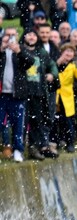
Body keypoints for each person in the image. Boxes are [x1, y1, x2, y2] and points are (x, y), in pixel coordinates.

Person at [22, 28, 58, 160]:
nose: (31, 37)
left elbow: (52, 64)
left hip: (39, 91)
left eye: (33, 35)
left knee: (38, 120)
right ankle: (21, 148)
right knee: (24, 120)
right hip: (23, 92)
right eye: (29, 35)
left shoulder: (41, 52)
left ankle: (37, 146)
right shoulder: (20, 51)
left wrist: (52, 75)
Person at [1, 27, 33, 163]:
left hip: (17, 95)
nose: (10, 38)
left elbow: (30, 62)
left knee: (18, 124)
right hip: (2, 94)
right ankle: (6, 146)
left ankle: (18, 150)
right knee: (2, 123)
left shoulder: (21, 50)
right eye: (8, 35)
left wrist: (19, 51)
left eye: (13, 35)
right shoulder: (1, 51)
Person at [53, 43, 77, 153]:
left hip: (67, 96)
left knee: (68, 121)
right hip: (56, 95)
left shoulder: (72, 66)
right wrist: (58, 62)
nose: (68, 53)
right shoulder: (55, 63)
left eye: (71, 52)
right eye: (66, 51)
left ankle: (70, 143)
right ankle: (55, 141)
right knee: (55, 120)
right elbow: (52, 72)